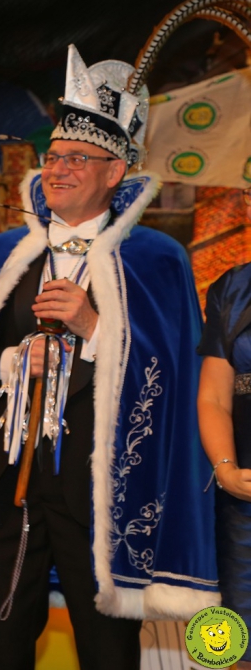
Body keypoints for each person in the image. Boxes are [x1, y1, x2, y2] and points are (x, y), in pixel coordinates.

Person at [0, 45, 218, 670]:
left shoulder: (156, 258)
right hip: (11, 489)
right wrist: (13, 362)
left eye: (77, 159)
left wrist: (93, 327)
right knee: (0, 646)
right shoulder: (8, 252)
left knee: (107, 652)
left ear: (115, 172)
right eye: (54, 156)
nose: (57, 169)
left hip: (103, 495)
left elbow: (174, 377)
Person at [198, 186, 251, 669]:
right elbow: (214, 396)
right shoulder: (231, 288)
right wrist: (227, 469)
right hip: (243, 502)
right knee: (237, 644)